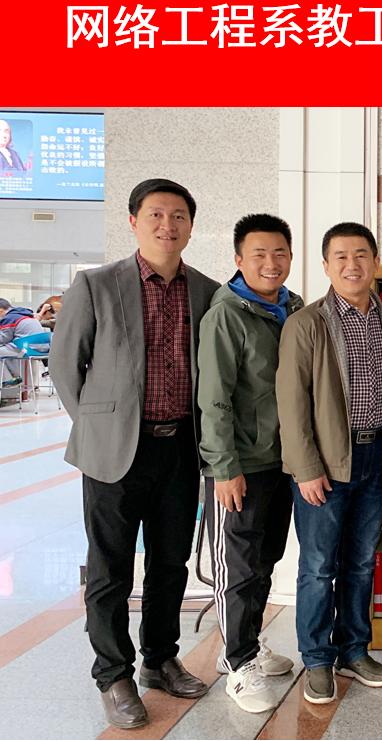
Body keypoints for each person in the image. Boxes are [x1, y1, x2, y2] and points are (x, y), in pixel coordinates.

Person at [51, 179, 218, 730]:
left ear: (190, 226)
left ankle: (160, 659)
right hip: (116, 452)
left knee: (170, 563)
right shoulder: (96, 285)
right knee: (111, 568)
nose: (168, 225)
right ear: (133, 221)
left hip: (180, 449)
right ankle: (113, 674)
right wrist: (100, 427)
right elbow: (65, 366)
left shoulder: (206, 291)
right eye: (156, 215)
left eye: (178, 216)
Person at [276, 222, 382, 705]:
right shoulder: (306, 324)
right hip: (325, 463)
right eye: (341, 257)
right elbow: (292, 405)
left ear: (375, 262)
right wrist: (305, 468)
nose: (353, 265)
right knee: (318, 565)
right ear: (326, 265)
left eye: (362, 255)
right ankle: (316, 659)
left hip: (376, 457)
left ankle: (354, 649)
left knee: (361, 562)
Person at [196, 213, 304, 713]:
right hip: (241, 464)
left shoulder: (291, 308)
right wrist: (223, 467)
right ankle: (237, 663)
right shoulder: (227, 315)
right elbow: (214, 398)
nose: (270, 262)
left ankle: (249, 645)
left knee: (265, 559)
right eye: (259, 254)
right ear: (239, 260)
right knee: (237, 566)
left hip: (282, 461)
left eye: (279, 252)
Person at [0, 297, 45, 385]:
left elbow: (3, 339)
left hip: (26, 349)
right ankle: (15, 378)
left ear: (0, 311)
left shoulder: (10, 318)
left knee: (4, 351)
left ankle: (8, 380)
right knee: (6, 352)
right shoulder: (26, 314)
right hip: (41, 349)